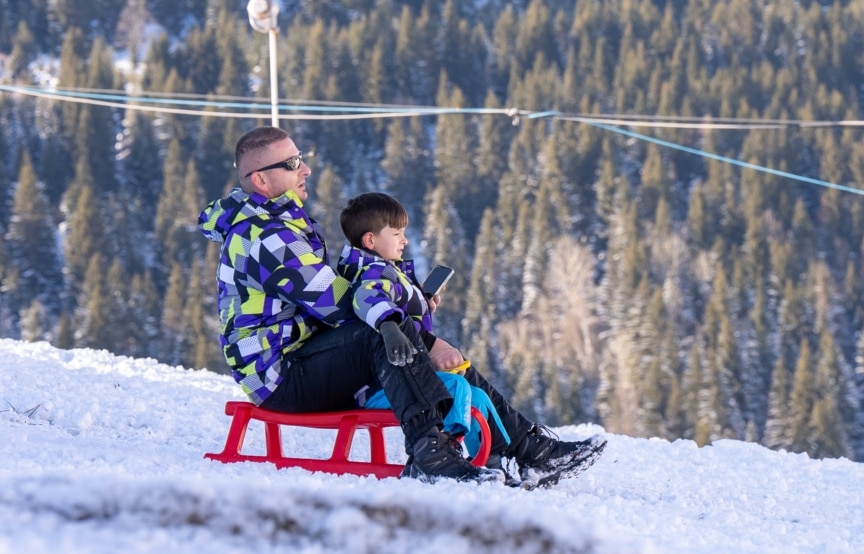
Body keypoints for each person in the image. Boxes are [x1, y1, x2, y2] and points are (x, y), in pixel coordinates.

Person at [197, 126, 603, 487]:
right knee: (382, 332)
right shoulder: (266, 237)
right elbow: (339, 305)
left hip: (302, 357)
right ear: (262, 179)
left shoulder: (281, 225)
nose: (305, 170)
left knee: (395, 329)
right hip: (280, 376)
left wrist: (410, 312)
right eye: (293, 162)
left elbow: (342, 292)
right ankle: (432, 454)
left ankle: (527, 449)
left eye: (302, 159)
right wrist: (418, 327)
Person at [337, 191, 605, 486]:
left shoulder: (385, 270)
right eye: (397, 233)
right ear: (370, 241)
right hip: (384, 384)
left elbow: (396, 313)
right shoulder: (372, 272)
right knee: (458, 383)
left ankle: (501, 461)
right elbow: (369, 299)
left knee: (476, 393)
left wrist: (420, 303)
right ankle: (457, 451)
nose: (405, 240)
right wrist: (389, 324)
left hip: (403, 377)